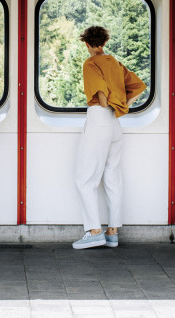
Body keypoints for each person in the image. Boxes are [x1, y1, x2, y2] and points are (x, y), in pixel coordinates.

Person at [72, 25, 147, 250]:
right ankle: (112, 233)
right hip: (115, 123)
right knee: (113, 178)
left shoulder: (90, 63)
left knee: (85, 179)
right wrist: (122, 106)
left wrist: (108, 103)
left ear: (86, 43)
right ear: (104, 42)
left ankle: (95, 232)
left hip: (98, 120)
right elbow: (139, 86)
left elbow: (101, 97)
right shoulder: (114, 62)